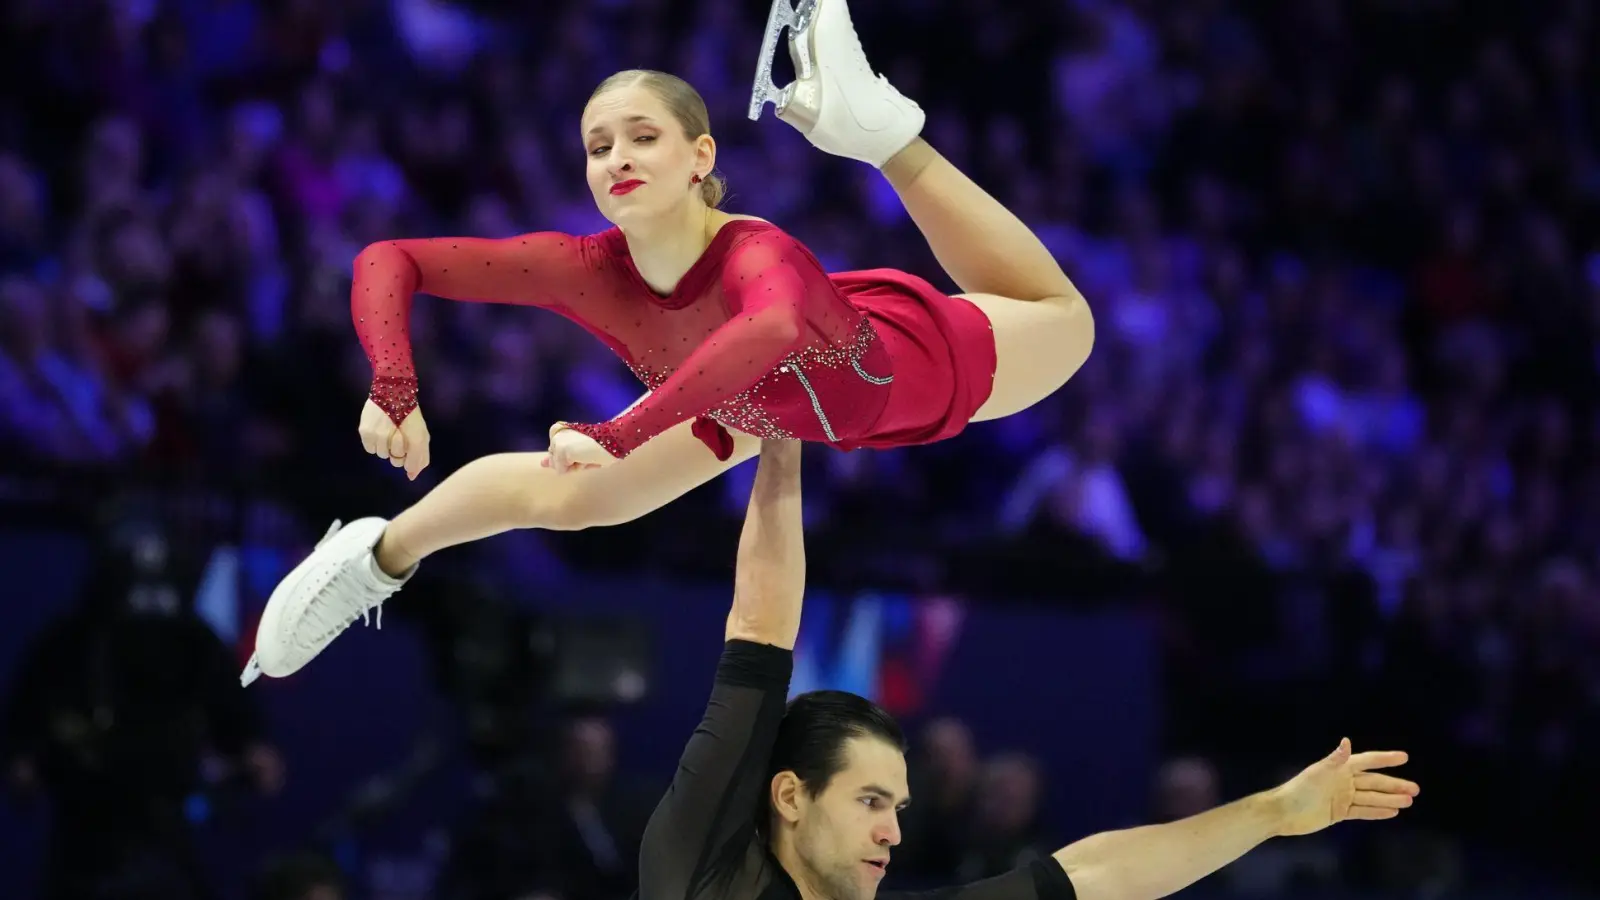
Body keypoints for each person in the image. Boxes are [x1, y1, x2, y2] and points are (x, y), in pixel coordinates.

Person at [243, 0, 1095, 683]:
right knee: (573, 501)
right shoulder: (580, 267)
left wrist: (620, 433)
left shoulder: (760, 255)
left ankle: (885, 138)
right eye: (598, 145)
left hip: (895, 360)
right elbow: (387, 259)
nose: (617, 156)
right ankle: (374, 557)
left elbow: (774, 329)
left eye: (643, 137)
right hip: (738, 393)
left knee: (1067, 323)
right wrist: (393, 383)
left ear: (700, 156)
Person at [644, 439, 1419, 900]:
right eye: (872, 800)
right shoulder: (697, 866)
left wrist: (1277, 812)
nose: (892, 833)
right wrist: (782, 441)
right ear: (789, 795)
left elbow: (1099, 874)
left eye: (899, 807)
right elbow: (760, 627)